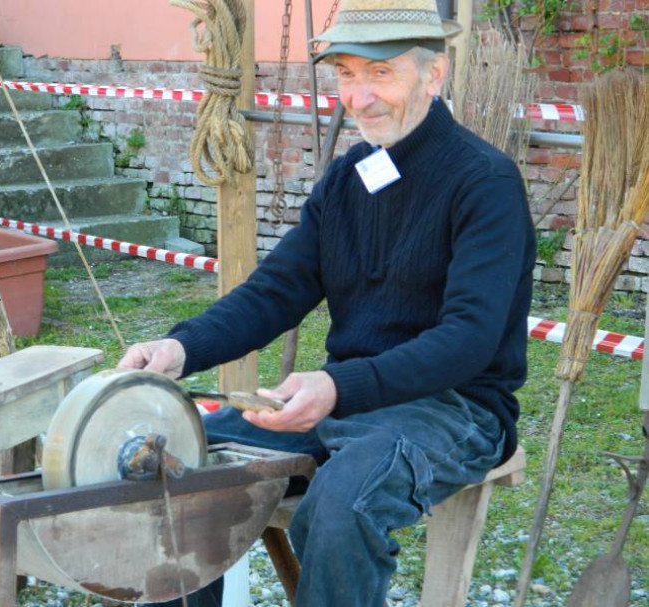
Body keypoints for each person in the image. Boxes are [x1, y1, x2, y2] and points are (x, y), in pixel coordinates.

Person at [119, 0, 536, 604]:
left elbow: (468, 341)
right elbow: (277, 289)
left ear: (434, 74)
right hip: (351, 398)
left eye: (380, 73)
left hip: (456, 409)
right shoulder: (351, 176)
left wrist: (338, 388)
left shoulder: (485, 182)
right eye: (345, 74)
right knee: (180, 472)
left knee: (341, 508)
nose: (357, 97)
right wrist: (181, 348)